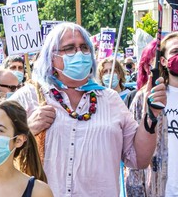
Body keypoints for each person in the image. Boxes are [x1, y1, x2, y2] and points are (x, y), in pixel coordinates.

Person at [10, 22, 163, 196]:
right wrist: (28, 130)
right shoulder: (28, 97)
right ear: (51, 57)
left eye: (84, 47)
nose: (79, 53)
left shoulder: (110, 99)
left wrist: (151, 116)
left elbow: (139, 159)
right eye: (69, 48)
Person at [126, 32, 178, 196]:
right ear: (163, 61)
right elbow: (132, 151)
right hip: (159, 189)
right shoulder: (147, 97)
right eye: (175, 52)